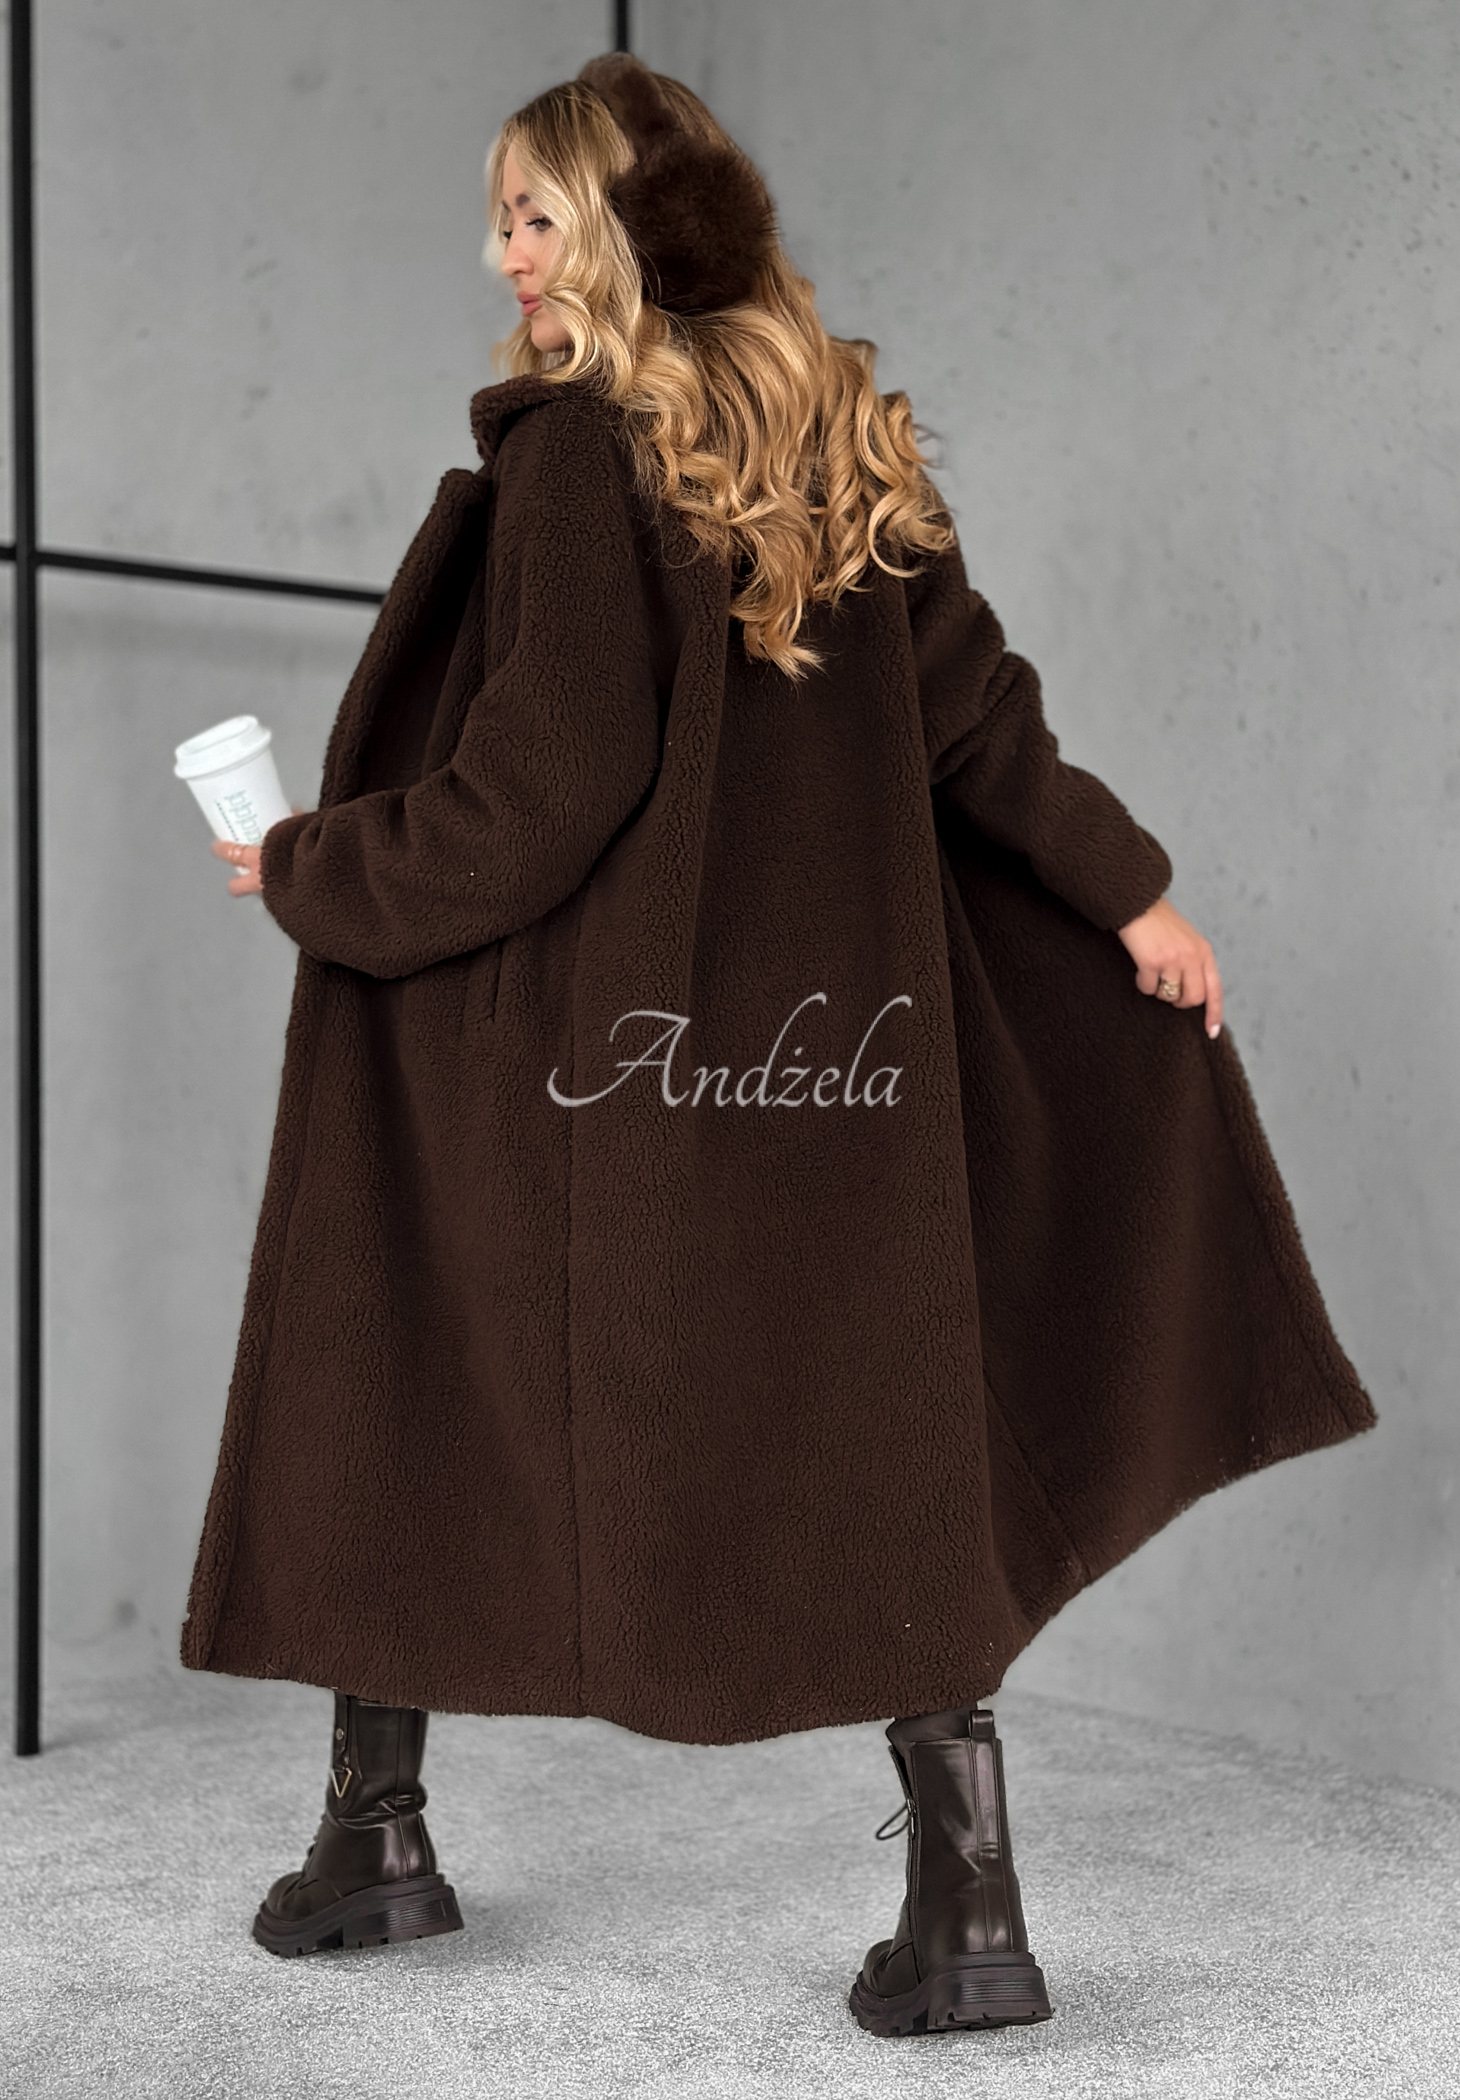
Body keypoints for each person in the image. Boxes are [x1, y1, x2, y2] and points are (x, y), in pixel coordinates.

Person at [189, 54, 1375, 2037]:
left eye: (536, 214)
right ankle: (967, 1911)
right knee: (878, 1423)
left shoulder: (578, 454)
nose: (503, 254)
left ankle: (375, 1840)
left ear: (629, 234)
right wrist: (1133, 898)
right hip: (831, 1072)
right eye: (500, 216)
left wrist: (318, 868)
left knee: (397, 1345)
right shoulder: (843, 444)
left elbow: (547, 785)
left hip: (588, 1058)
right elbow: (978, 724)